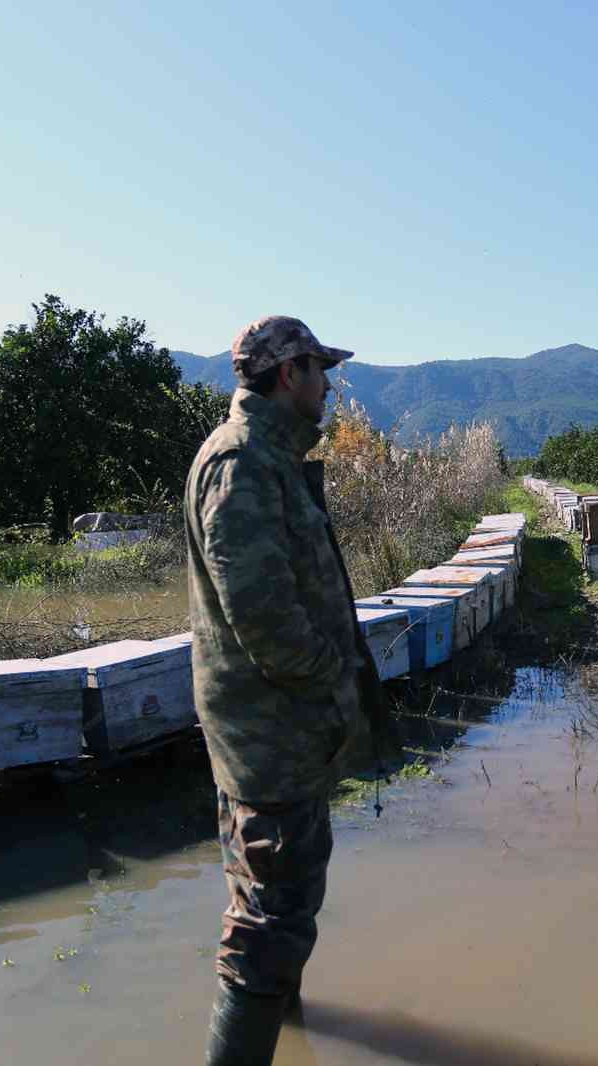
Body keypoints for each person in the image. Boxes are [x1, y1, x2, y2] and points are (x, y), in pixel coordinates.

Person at [184, 314, 392, 1065]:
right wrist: (330, 678)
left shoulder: (270, 457)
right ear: (286, 375)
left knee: (282, 906)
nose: (329, 385)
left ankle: (289, 1032)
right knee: (268, 926)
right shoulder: (241, 464)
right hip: (269, 737)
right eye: (318, 370)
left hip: (284, 735)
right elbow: (265, 623)